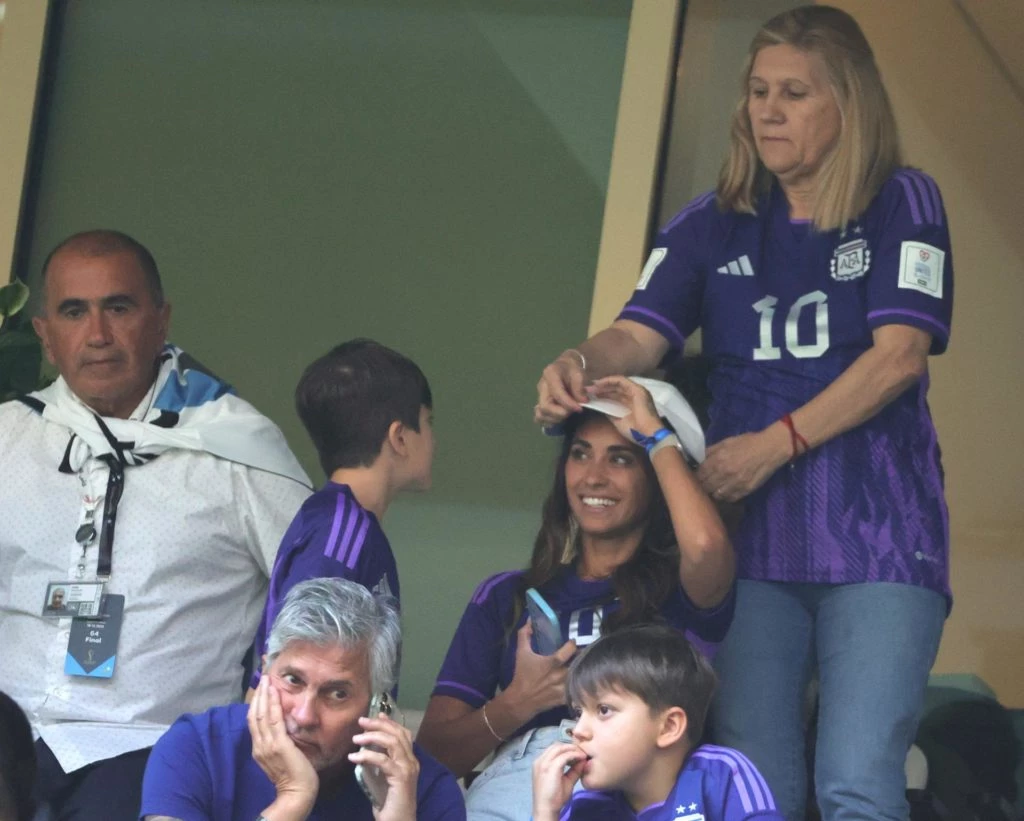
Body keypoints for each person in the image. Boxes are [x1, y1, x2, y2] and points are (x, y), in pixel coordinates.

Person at [534, 7, 954, 820]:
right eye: (759, 91)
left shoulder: (902, 199)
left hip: (880, 538)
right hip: (751, 542)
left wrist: (777, 443)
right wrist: (579, 363)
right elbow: (636, 335)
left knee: (858, 781)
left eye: (794, 93)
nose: (768, 109)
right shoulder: (710, 220)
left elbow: (899, 356)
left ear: (849, 103)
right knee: (753, 784)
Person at [0, 230, 312, 821]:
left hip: (154, 748)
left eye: (118, 308)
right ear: (44, 335)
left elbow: (321, 602)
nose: (97, 334)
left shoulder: (236, 449)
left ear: (161, 320)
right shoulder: (9, 437)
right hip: (13, 738)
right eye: (74, 311)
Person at [418, 377, 734, 821]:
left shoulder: (679, 595)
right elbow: (433, 756)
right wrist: (518, 703)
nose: (593, 476)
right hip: (525, 779)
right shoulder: (507, 596)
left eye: (621, 458)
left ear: (656, 476)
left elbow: (703, 545)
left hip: (644, 793)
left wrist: (658, 437)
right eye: (580, 453)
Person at [140, 577, 465, 821]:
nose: (305, 715)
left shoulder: (424, 790)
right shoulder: (197, 748)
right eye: (292, 680)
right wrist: (292, 801)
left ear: (376, 704)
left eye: (337, 694)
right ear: (265, 670)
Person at [248, 339, 434, 692]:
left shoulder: (344, 523)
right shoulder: (340, 536)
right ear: (400, 437)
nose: (434, 440)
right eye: (427, 422)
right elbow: (296, 683)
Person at [532, 624, 782, 821]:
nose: (578, 731)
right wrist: (545, 813)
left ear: (669, 727)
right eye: (578, 712)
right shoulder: (586, 807)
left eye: (604, 710)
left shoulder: (723, 776)